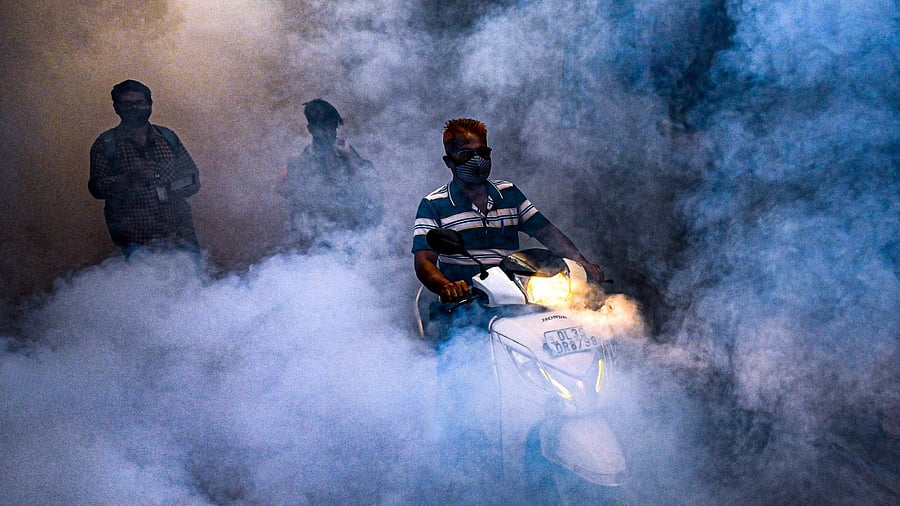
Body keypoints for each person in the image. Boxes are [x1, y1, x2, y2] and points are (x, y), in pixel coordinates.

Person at [413, 118, 605, 309]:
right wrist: (447, 287)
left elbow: (547, 232)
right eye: (466, 154)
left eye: (483, 153)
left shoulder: (508, 193)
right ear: (448, 161)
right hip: (464, 305)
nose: (477, 160)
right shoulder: (433, 204)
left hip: (515, 300)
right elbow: (424, 262)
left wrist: (582, 263)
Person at [88, 79, 201, 257]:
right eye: (127, 104)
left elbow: (193, 177)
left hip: (179, 234)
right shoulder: (106, 144)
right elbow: (97, 187)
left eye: (139, 102)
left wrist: (169, 189)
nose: (134, 108)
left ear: (150, 105)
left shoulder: (167, 137)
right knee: (144, 275)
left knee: (191, 274)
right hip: (135, 238)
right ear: (116, 108)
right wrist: (129, 178)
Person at [277, 99, 382, 251]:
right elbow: (283, 189)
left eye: (332, 128)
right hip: (317, 242)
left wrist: (349, 157)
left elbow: (369, 184)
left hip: (350, 237)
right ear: (311, 129)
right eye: (323, 128)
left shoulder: (345, 152)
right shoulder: (301, 162)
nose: (328, 134)